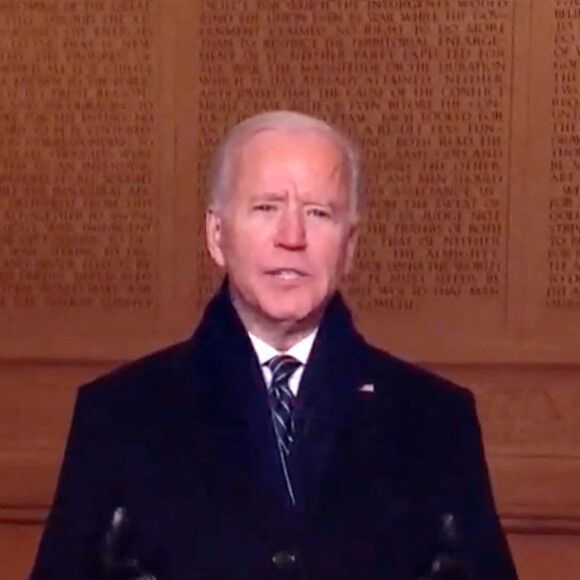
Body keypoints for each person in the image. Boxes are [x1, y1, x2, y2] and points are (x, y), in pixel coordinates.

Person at [30, 111, 518, 580]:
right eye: (266, 208)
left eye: (318, 212)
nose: (292, 236)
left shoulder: (436, 420)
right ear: (217, 235)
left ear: (349, 247)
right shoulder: (119, 414)